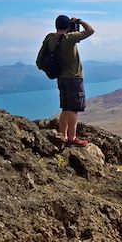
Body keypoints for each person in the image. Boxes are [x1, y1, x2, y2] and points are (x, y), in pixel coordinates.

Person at [37, 15, 95, 147]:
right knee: (73, 109)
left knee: (65, 108)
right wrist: (79, 21)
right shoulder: (69, 39)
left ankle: (62, 135)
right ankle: (72, 138)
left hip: (61, 78)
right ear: (68, 26)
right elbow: (90, 30)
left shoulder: (51, 39)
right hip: (74, 78)